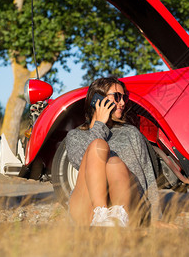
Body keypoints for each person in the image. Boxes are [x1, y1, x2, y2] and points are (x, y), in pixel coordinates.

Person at [65, 77, 160, 227]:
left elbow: (147, 176)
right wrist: (99, 125)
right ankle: (101, 214)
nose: (122, 103)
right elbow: (84, 162)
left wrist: (155, 220)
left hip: (129, 206)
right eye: (117, 97)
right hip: (87, 209)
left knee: (114, 163)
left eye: (124, 97)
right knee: (97, 146)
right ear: (98, 100)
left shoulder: (130, 133)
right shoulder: (75, 136)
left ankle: (117, 217)